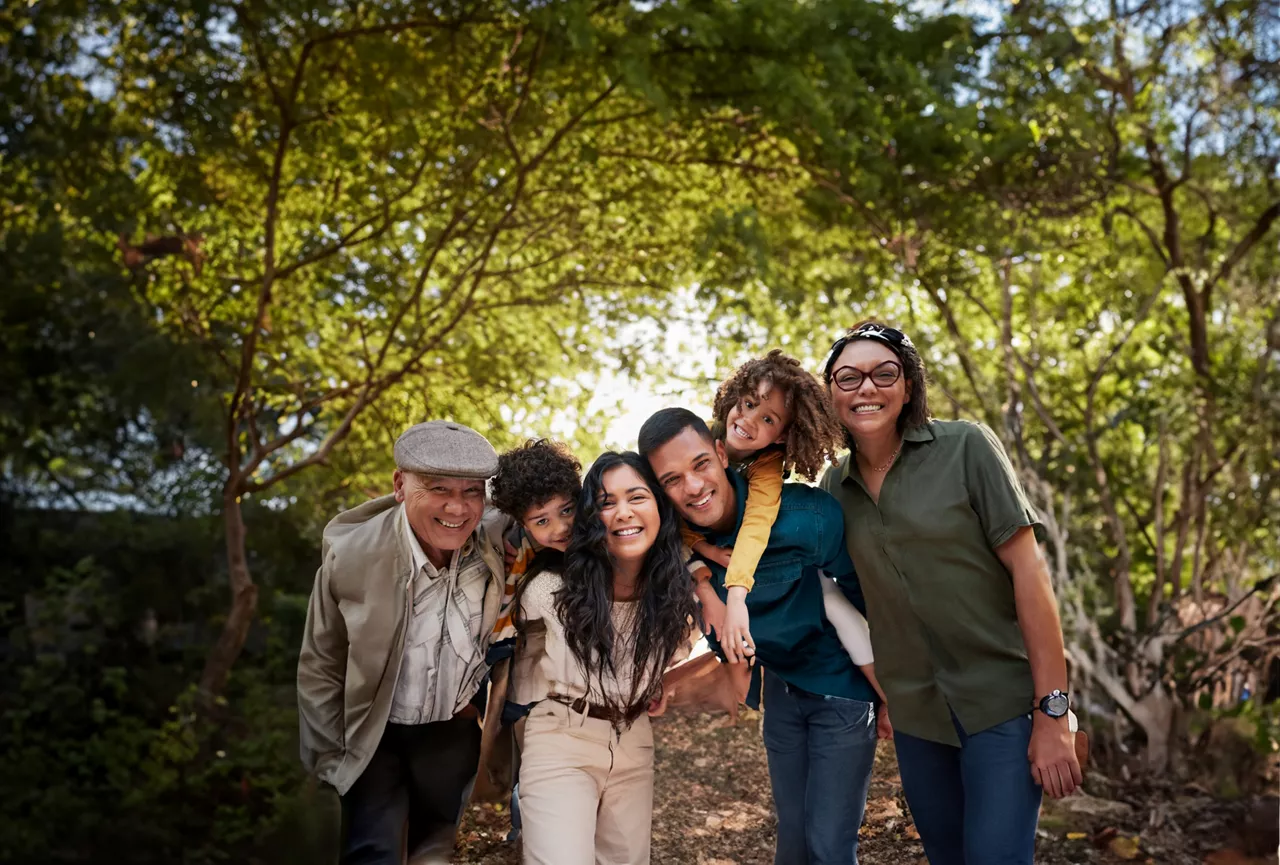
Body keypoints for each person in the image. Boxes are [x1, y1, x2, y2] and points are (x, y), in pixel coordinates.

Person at [818, 321, 1083, 865]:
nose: (866, 387)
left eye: (883, 373)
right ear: (830, 396)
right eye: (848, 378)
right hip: (917, 716)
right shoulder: (832, 488)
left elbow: (1030, 576)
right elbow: (849, 595)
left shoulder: (966, 446)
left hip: (1002, 704)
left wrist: (1053, 714)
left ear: (908, 385)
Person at [640, 408, 880, 865]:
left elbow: (867, 602)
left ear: (719, 452)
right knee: (791, 841)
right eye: (671, 480)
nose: (692, 487)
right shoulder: (673, 548)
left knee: (830, 844)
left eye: (700, 465)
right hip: (782, 695)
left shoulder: (807, 516)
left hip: (843, 689)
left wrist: (889, 694)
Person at [296, 420, 508, 865]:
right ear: (399, 485)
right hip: (375, 737)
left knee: (436, 853)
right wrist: (332, 762)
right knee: (373, 854)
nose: (458, 507)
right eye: (438, 489)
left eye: (472, 491)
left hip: (453, 732)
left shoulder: (494, 543)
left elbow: (566, 517)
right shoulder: (352, 558)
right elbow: (321, 662)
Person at [683, 350, 889, 722]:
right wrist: (705, 550)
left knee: (835, 604)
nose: (747, 420)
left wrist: (737, 593)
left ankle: (884, 695)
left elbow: (757, 524)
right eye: (746, 404)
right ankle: (736, 684)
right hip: (706, 561)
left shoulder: (765, 467)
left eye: (767, 419)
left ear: (781, 437)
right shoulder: (700, 443)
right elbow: (672, 513)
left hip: (776, 562)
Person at [514, 451, 696, 865]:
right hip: (562, 737)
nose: (623, 513)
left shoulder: (679, 587)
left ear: (660, 505)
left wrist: (657, 682)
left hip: (634, 737)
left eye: (637, 497)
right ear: (590, 518)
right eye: (606, 503)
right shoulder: (549, 589)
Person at [486, 438, 583, 842]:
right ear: (522, 523)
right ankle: (528, 826)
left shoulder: (601, 538)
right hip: (529, 678)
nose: (559, 527)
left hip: (582, 681)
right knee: (534, 766)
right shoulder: (511, 551)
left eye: (566, 511)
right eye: (541, 521)